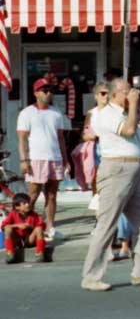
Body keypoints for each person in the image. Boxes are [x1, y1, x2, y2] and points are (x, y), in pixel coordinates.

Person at [82, 77, 140, 292]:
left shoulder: (129, 111)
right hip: (116, 170)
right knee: (107, 224)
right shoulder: (103, 115)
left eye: (131, 90)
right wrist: (135, 106)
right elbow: (128, 131)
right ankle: (91, 276)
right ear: (114, 95)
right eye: (126, 91)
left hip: (135, 171)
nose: (131, 94)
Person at [17, 76, 70, 241]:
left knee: (52, 195)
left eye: (50, 90)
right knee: (32, 195)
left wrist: (65, 159)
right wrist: (24, 160)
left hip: (54, 158)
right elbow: (22, 139)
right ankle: (24, 227)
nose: (48, 93)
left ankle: (50, 227)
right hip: (36, 159)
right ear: (36, 93)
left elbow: (61, 138)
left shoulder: (56, 112)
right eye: (45, 90)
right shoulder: (27, 113)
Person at [3, 193, 50, 263]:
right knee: (7, 228)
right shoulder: (12, 214)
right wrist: (17, 225)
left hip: (30, 240)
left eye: (28, 203)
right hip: (17, 240)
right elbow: (4, 225)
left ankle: (39, 253)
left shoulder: (34, 214)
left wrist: (30, 226)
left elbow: (42, 226)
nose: (27, 205)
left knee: (39, 229)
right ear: (17, 207)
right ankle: (10, 253)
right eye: (24, 203)